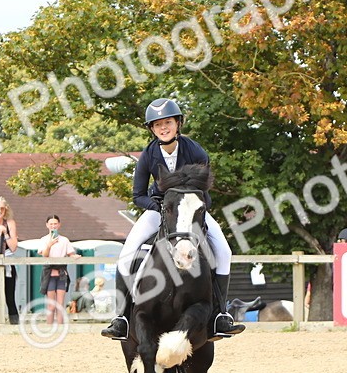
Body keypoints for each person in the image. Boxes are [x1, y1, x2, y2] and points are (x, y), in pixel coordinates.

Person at [101, 98, 245, 342]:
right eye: (157, 125)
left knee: (224, 251)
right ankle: (122, 317)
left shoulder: (195, 151)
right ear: (152, 129)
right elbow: (138, 195)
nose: (163, 128)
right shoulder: (148, 155)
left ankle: (221, 315)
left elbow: (204, 193)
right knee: (126, 253)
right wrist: (158, 206)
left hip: (191, 211)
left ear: (178, 123)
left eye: (167, 122)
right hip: (159, 210)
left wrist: (194, 212)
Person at [39, 214, 81, 325]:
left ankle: (60, 326)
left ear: (59, 225)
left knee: (60, 303)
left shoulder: (64, 240)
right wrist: (49, 245)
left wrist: (74, 256)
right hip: (49, 274)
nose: (53, 226)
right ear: (47, 225)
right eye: (51, 224)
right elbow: (44, 255)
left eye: (55, 223)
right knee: (51, 304)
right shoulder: (44, 240)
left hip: (62, 274)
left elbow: (70, 253)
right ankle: (49, 326)